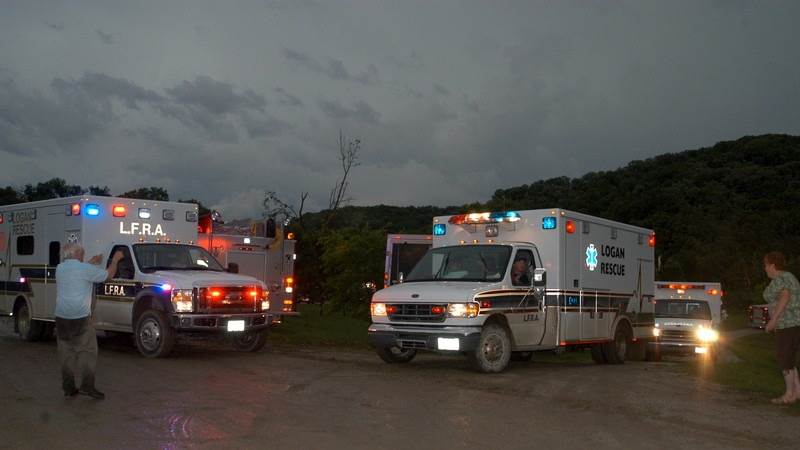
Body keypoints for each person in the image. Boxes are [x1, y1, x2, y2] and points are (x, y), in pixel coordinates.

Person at [55, 243, 124, 400]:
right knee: (88, 352)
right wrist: (115, 260)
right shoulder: (84, 269)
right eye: (82, 254)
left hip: (61, 317)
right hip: (80, 318)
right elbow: (109, 275)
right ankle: (87, 386)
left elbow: (78, 272)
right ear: (77, 254)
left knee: (66, 353)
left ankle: (68, 387)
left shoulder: (60, 268)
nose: (83, 256)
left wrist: (91, 263)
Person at [762, 251, 800, 405]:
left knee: (784, 360)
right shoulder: (786, 277)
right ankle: (797, 392)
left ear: (772, 265)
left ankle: (789, 395)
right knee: (789, 359)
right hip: (791, 324)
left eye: (765, 265)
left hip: (787, 324)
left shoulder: (783, 278)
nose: (764, 268)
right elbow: (781, 299)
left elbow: (785, 297)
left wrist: (773, 320)